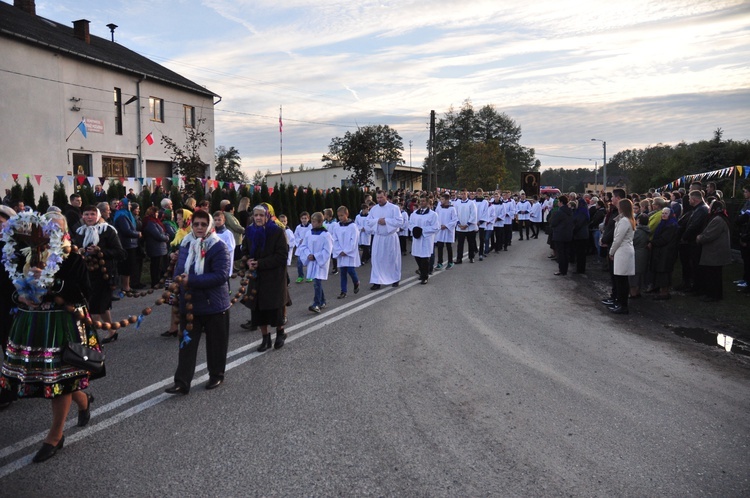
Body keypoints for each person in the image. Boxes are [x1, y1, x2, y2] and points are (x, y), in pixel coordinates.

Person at [0, 212, 100, 462]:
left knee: (60, 380)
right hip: (33, 324)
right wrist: (20, 296)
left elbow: (84, 292)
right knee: (49, 379)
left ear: (65, 231)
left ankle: (55, 435)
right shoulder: (28, 254)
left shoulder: (72, 256)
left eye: (58, 227)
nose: (52, 231)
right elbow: (11, 287)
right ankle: (83, 400)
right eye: (48, 227)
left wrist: (51, 285)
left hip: (61, 323)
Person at [164, 210, 231, 395]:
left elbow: (221, 275)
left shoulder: (219, 246)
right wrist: (178, 280)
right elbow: (179, 270)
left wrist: (191, 280)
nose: (200, 228)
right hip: (191, 303)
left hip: (214, 304)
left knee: (216, 344)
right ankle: (182, 382)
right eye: (196, 224)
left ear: (210, 226)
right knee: (187, 344)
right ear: (191, 226)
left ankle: (216, 374)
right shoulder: (186, 244)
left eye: (203, 224)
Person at [72, 205, 126, 341]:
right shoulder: (80, 232)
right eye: (86, 214)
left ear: (98, 216)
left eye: (92, 214)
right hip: (87, 274)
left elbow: (120, 253)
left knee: (95, 307)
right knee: (102, 305)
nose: (89, 217)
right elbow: (76, 249)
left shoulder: (107, 230)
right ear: (82, 216)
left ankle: (88, 339)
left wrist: (100, 251)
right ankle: (112, 332)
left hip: (105, 274)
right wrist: (80, 251)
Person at [243, 205, 289, 351]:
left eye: (261, 215)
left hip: (274, 277)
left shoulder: (277, 232)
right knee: (258, 310)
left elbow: (281, 256)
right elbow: (244, 250)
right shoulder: (249, 231)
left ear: (268, 216)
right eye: (255, 215)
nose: (258, 218)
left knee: (275, 308)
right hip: (257, 277)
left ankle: (280, 333)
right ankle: (265, 338)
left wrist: (261, 263)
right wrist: (247, 261)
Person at [365, 190, 403, 289]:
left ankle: (395, 279)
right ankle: (377, 281)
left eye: (381, 197)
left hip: (390, 237)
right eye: (377, 198)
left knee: (392, 259)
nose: (379, 200)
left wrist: (386, 221)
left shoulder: (394, 208)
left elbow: (399, 221)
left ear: (386, 197)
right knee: (377, 259)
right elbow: (368, 221)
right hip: (379, 237)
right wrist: (378, 221)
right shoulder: (374, 209)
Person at [696, 200, 732, 302]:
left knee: (713, 275)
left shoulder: (717, 220)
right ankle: (713, 294)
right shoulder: (719, 218)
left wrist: (700, 238)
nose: (709, 208)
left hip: (715, 251)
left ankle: (713, 295)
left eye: (710, 206)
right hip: (715, 251)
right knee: (713, 274)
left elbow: (709, 235)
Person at [299, 212, 333, 312]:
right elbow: (304, 246)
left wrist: (316, 256)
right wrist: (308, 254)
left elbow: (327, 250)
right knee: (316, 281)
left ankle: (316, 304)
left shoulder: (326, 235)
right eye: (312, 222)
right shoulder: (309, 233)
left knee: (317, 282)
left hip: (319, 262)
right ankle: (323, 301)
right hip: (311, 260)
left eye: (314, 222)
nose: (312, 224)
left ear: (320, 222)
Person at [607, 199, 636, 314]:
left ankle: (623, 305)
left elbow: (618, 239)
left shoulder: (624, 221)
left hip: (623, 250)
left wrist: (611, 251)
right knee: (621, 280)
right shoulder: (626, 219)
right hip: (624, 250)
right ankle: (620, 303)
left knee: (621, 280)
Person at [650, 207, 680, 300]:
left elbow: (664, 239)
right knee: (661, 271)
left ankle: (664, 292)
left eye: (666, 213)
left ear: (670, 214)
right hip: (662, 252)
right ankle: (660, 290)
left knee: (664, 272)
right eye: (662, 213)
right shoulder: (664, 223)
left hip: (667, 252)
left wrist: (652, 243)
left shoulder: (671, 225)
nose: (663, 215)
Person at [409, 196, 440, 284]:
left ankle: (424, 276)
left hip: (426, 239)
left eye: (423, 201)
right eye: (421, 201)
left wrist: (422, 230)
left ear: (427, 203)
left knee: (424, 258)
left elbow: (436, 227)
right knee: (417, 256)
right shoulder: (414, 214)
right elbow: (410, 223)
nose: (422, 203)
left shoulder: (433, 214)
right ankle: (422, 272)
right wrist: (414, 229)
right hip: (417, 238)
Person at [113, 198, 141, 293]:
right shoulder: (122, 216)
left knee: (129, 266)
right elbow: (126, 230)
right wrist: (137, 234)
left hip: (131, 244)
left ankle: (127, 286)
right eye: (129, 205)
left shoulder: (127, 215)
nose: (130, 206)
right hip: (126, 244)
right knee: (126, 267)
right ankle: (125, 287)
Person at [332, 206, 360, 298]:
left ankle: (356, 282)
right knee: (343, 272)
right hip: (341, 253)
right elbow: (334, 239)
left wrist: (347, 251)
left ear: (347, 214)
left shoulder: (352, 226)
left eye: (342, 215)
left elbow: (354, 240)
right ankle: (343, 291)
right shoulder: (337, 226)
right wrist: (339, 250)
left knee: (351, 270)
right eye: (339, 216)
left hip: (349, 253)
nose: (340, 218)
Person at [629, 213, 651, 298]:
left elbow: (631, 241)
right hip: (643, 254)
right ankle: (638, 291)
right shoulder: (647, 231)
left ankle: (633, 292)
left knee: (634, 275)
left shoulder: (637, 232)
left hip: (636, 254)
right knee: (640, 274)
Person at [454, 189, 478, 264]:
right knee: (460, 244)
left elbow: (473, 214)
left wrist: (467, 224)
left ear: (467, 194)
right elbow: (455, 214)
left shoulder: (471, 203)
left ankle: (471, 257)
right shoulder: (457, 203)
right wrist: (458, 223)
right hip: (460, 227)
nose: (463, 195)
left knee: (470, 243)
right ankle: (459, 258)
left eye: (464, 194)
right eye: (462, 194)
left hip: (469, 228)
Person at [435, 193, 458, 269]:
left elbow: (454, 219)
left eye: (442, 199)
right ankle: (440, 263)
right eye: (440, 199)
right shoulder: (439, 208)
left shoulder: (452, 208)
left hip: (448, 230)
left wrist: (446, 225)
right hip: (440, 229)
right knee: (440, 247)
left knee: (448, 246)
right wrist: (439, 225)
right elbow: (436, 218)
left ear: (447, 200)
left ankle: (450, 262)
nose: (441, 201)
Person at [212, 211, 236, 277]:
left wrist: (220, 252)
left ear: (224, 220)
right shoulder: (212, 233)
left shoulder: (227, 233)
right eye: (215, 220)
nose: (217, 222)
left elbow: (231, 247)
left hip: (224, 259)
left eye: (219, 220)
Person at [737, 185, 750, 293]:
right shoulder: (746, 203)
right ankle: (745, 278)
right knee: (745, 259)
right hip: (743, 232)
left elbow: (744, 218)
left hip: (747, 235)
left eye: (746, 192)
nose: (744, 193)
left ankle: (747, 281)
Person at [293, 211, 312, 283]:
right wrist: (299, 240)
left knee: (309, 262)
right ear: (300, 219)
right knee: (299, 263)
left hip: (308, 247)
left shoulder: (311, 226)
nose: (304, 220)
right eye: (302, 218)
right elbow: (295, 236)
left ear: (308, 219)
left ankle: (310, 276)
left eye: (305, 218)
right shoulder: (298, 227)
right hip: (300, 247)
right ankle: (300, 276)